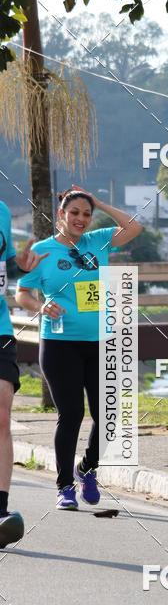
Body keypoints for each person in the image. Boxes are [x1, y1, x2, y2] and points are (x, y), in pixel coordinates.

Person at [16, 186, 142, 510]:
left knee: (108, 416)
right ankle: (64, 487)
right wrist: (41, 307)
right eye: (74, 212)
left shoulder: (97, 241)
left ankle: (86, 468)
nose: (81, 219)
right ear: (61, 215)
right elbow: (22, 293)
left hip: (101, 342)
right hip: (60, 345)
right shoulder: (43, 250)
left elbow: (134, 227)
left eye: (87, 214)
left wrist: (98, 202)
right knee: (71, 414)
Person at [0, 200, 49, 547]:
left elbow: (6, 266)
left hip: (0, 329)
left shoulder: (2, 210)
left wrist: (19, 264)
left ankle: (0, 512)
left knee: (2, 417)